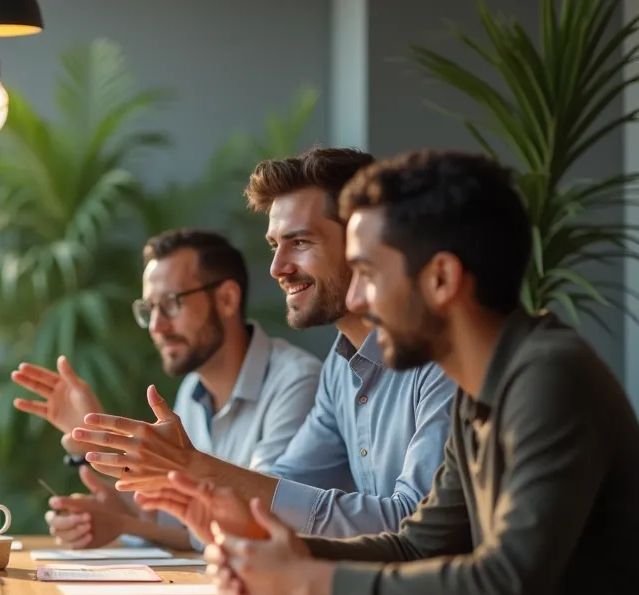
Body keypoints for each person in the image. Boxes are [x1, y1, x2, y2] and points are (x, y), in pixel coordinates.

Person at [150, 150, 639, 595]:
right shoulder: (477, 389)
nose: (357, 299)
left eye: (367, 272)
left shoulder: (548, 377)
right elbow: (418, 546)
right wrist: (284, 555)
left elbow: (503, 585)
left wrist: (309, 581)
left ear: (441, 279)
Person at [75, 147, 457, 540]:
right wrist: (187, 477)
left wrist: (196, 468)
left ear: (361, 243)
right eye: (276, 245)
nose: (277, 268)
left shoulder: (441, 360)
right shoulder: (338, 370)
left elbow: (417, 528)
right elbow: (274, 493)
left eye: (301, 241)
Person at [12, 229, 319, 550]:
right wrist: (88, 435)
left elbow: (262, 522)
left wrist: (123, 525)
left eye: (171, 304)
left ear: (227, 299)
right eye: (149, 309)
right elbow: (172, 514)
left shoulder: (296, 382)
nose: (157, 326)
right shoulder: (192, 391)